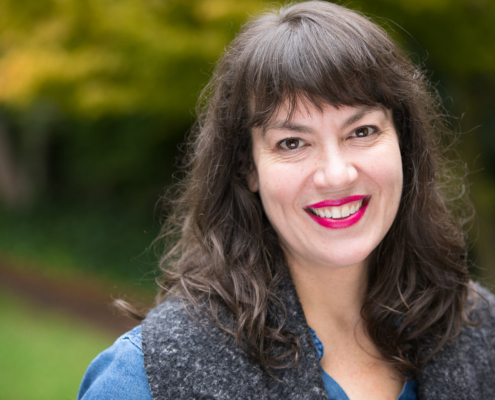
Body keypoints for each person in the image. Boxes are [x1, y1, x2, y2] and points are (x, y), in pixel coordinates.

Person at [78, 1, 495, 399]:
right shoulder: (145, 381)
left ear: (404, 144)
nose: (337, 174)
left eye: (362, 131)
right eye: (293, 142)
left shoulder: (483, 333)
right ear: (248, 169)